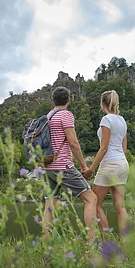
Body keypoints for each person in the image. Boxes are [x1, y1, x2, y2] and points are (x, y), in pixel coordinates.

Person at [42, 86, 98, 240]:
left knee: (49, 206)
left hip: (47, 167)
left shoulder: (48, 116)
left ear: (53, 100)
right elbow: (73, 143)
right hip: (63, 167)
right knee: (91, 199)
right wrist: (84, 166)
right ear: (68, 100)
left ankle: (45, 246)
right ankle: (93, 243)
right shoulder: (66, 115)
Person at [83, 90, 129, 235]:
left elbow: (103, 148)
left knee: (95, 203)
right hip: (122, 163)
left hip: (110, 164)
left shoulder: (106, 120)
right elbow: (124, 148)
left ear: (103, 104)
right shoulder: (122, 120)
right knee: (120, 207)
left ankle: (107, 243)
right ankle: (125, 243)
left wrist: (91, 169)